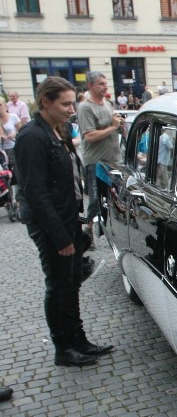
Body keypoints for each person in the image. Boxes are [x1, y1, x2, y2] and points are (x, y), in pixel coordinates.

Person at [15, 76, 115, 367]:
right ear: (45, 102)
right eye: (65, 103)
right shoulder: (32, 136)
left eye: (73, 102)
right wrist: (61, 238)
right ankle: (63, 347)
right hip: (51, 225)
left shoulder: (56, 130)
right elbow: (35, 192)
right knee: (59, 285)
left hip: (67, 218)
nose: (72, 108)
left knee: (72, 284)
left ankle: (78, 339)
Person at [77, 71, 124, 247]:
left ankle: (114, 229)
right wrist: (112, 127)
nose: (105, 86)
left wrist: (119, 126)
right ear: (90, 86)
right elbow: (90, 136)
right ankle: (87, 231)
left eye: (105, 83)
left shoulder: (108, 104)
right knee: (96, 198)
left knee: (116, 196)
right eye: (100, 84)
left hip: (114, 159)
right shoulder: (85, 108)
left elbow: (112, 127)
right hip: (96, 161)